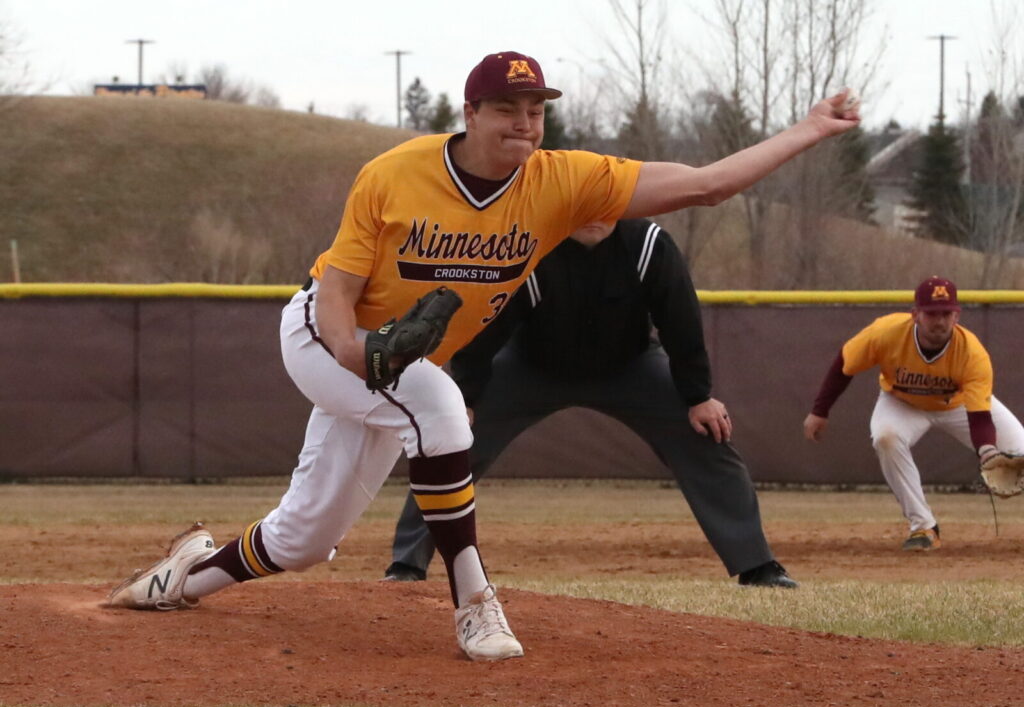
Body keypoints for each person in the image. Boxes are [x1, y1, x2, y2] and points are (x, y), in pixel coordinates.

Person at [108, 50, 858, 661]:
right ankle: (475, 603)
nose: (524, 125)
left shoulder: (561, 183)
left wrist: (808, 130)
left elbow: (706, 187)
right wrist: (356, 348)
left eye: (535, 111)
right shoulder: (395, 174)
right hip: (321, 338)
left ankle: (184, 577)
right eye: (506, 109)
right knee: (437, 409)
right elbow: (334, 291)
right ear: (469, 113)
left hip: (395, 367)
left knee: (306, 538)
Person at [384, 218, 797, 588]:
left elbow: (680, 320)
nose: (595, 216)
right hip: (532, 366)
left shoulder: (649, 244)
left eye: (606, 203)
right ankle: (407, 562)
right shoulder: (531, 243)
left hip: (629, 366)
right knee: (450, 438)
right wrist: (467, 398)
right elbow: (487, 326)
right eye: (584, 203)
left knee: (706, 433)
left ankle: (757, 566)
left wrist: (698, 396)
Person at [803, 276, 1024, 550]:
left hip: (955, 405)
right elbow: (844, 365)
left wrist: (988, 451)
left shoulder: (972, 353)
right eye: (932, 314)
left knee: (1021, 449)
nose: (940, 321)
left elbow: (979, 415)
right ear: (915, 314)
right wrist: (820, 411)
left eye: (946, 313)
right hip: (902, 403)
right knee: (885, 437)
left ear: (957, 316)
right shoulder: (886, 332)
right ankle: (924, 527)